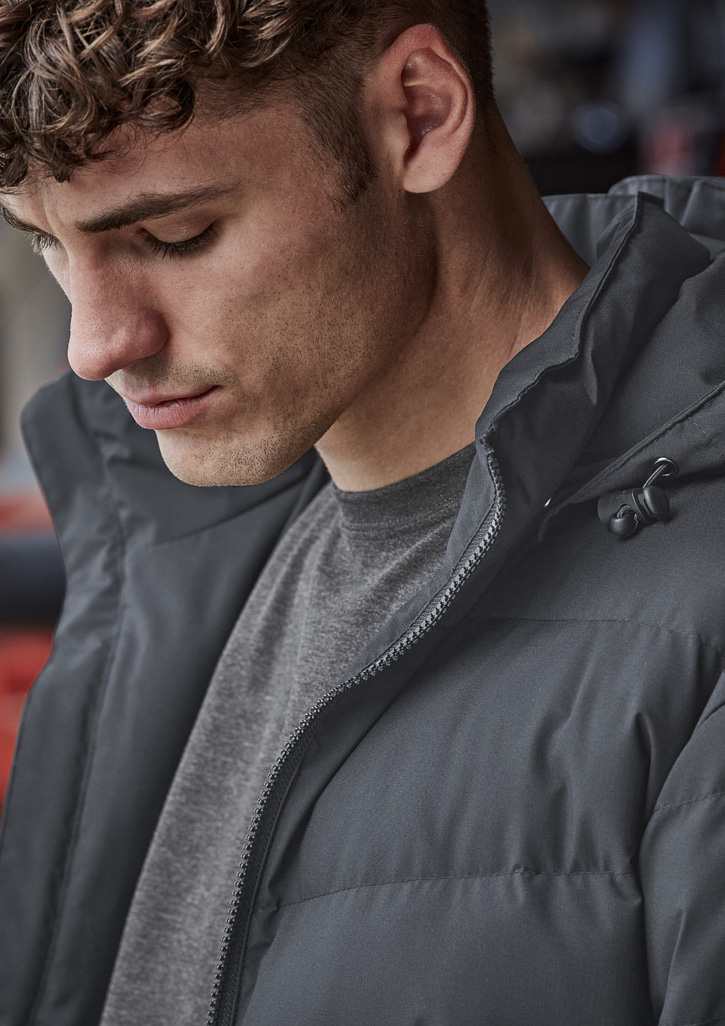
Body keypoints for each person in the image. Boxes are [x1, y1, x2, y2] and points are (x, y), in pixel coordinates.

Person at [0, 1, 724, 1024]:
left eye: (174, 234)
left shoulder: (700, 626)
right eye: (45, 243)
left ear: (418, 117)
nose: (93, 346)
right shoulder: (181, 537)